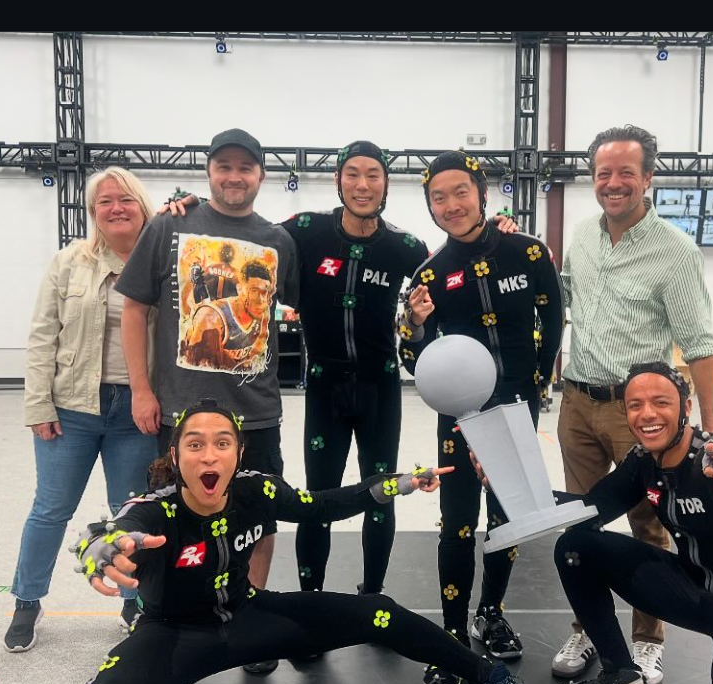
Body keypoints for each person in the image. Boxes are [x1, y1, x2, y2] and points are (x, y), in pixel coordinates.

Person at [163, 141, 518, 598]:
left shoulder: (406, 247)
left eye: (373, 175)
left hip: (380, 387)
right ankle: (312, 600)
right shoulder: (304, 230)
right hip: (324, 388)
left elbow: (457, 267)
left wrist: (498, 232)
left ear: (386, 184)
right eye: (352, 174)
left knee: (383, 494)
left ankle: (372, 595)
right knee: (317, 497)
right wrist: (191, 207)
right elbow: (243, 230)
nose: (362, 185)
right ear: (337, 180)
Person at [71, 399, 523, 684]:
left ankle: (489, 676)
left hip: (250, 619)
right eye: (195, 445)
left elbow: (322, 505)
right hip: (171, 635)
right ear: (175, 456)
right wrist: (100, 546)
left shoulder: (257, 490)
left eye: (222, 443)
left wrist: (397, 483)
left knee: (379, 612)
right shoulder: (157, 511)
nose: (209, 455)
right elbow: (115, 529)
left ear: (238, 454)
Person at [480, 362, 713, 684]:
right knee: (575, 546)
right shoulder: (643, 461)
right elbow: (588, 510)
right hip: (695, 593)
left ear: (685, 408)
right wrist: (506, 485)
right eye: (635, 405)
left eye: (661, 402)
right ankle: (622, 676)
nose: (647, 414)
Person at [116, 128, 299, 675]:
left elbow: (289, 310)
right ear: (209, 171)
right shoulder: (169, 225)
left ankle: (248, 617)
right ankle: (166, 618)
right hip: (181, 412)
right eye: (224, 166)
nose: (234, 176)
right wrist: (141, 389)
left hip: (255, 411)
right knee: (174, 518)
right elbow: (134, 309)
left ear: (261, 175)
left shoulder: (279, 241)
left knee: (259, 517)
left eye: (245, 167)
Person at [552, 125, 713, 684]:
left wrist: (711, 434)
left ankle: (649, 640)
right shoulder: (582, 236)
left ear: (648, 178)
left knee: (649, 527)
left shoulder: (675, 251)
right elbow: (560, 298)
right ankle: (588, 628)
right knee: (579, 524)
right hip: (578, 403)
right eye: (604, 173)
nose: (614, 183)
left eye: (627, 172)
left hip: (639, 415)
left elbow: (700, 344)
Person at [397, 150, 564, 684]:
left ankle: (490, 612)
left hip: (516, 408)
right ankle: (450, 635)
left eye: (460, 192)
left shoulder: (528, 252)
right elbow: (412, 359)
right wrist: (415, 325)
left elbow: (553, 320)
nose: (451, 204)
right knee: (457, 522)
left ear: (482, 193)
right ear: (430, 206)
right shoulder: (428, 274)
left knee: (505, 516)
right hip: (459, 418)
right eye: (438, 197)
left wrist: (536, 385)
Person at [9, 167, 160, 652]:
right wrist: (38, 403)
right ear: (93, 211)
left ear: (142, 206)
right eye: (105, 202)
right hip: (70, 407)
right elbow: (42, 336)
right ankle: (27, 600)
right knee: (50, 509)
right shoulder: (69, 262)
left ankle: (134, 601)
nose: (116, 208)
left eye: (125, 199)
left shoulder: (163, 260)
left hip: (136, 410)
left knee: (131, 513)